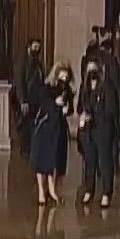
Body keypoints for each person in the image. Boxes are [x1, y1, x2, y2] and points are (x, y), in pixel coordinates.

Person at [76, 59, 119, 208]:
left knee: (105, 161)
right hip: (87, 130)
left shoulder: (107, 88)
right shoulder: (84, 88)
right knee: (89, 161)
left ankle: (107, 192)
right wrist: (83, 115)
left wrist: (95, 115)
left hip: (103, 129)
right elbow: (79, 106)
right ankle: (89, 189)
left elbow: (111, 110)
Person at [30, 65, 73, 205]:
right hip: (45, 127)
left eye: (67, 78)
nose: (64, 80)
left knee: (54, 161)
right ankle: (41, 191)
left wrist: (67, 108)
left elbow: (70, 109)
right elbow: (42, 104)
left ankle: (52, 189)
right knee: (42, 160)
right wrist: (55, 103)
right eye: (62, 77)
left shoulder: (67, 91)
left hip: (59, 129)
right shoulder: (46, 89)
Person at [15, 38, 47, 153]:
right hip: (27, 99)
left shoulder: (38, 63)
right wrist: (23, 100)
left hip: (37, 100)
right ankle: (25, 150)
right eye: (35, 47)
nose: (37, 49)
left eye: (38, 47)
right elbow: (19, 82)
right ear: (29, 47)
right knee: (26, 127)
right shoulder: (22, 62)